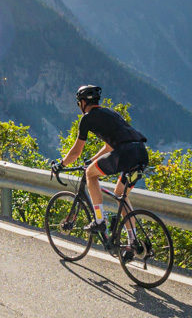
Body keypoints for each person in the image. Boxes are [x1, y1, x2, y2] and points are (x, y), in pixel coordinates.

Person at [52, 84, 148, 244]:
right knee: (120, 195)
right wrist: (92, 160)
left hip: (125, 154)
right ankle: (133, 243)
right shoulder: (110, 113)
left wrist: (61, 164)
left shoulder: (87, 118)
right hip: (140, 153)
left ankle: (99, 220)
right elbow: (109, 146)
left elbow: (76, 152)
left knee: (90, 174)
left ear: (82, 103)